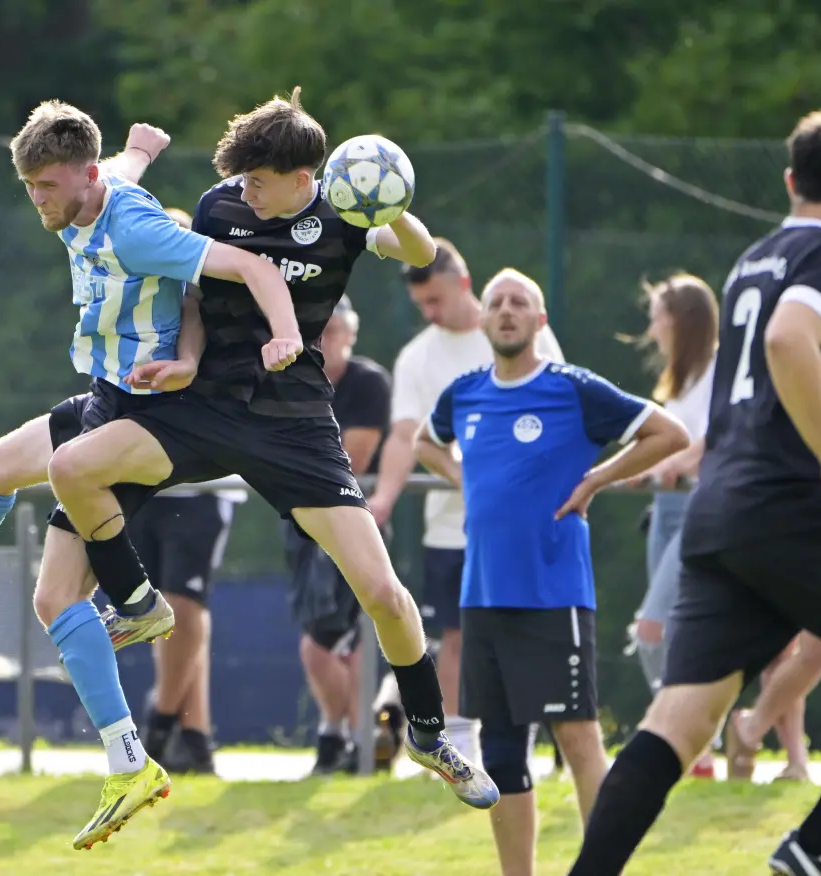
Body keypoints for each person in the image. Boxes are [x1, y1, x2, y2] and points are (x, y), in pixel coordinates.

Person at [0, 101, 301, 850]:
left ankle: (133, 708)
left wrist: (280, 336)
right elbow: (120, 168)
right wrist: (142, 146)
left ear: (83, 177)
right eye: (29, 188)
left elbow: (242, 267)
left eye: (47, 187)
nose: (38, 201)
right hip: (103, 397)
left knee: (56, 591)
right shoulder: (94, 186)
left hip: (135, 420)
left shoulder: (136, 228)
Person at [44, 88, 500, 812]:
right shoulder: (221, 205)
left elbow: (420, 252)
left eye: (259, 180)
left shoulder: (348, 213)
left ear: (302, 178)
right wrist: (188, 362)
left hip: (293, 425)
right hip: (203, 406)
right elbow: (191, 298)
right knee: (70, 466)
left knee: (382, 593)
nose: (244, 192)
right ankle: (134, 601)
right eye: (242, 178)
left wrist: (388, 202)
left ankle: (428, 733)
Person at [551, 106, 821, 876]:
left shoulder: (752, 260)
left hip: (721, 513)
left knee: (678, 722)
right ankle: (816, 847)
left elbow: (764, 388)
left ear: (788, 181)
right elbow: (786, 344)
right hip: (788, 510)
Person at [417, 267, 688, 876]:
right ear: (483, 320)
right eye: (497, 302)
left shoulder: (573, 389)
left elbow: (668, 434)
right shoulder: (464, 394)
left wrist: (597, 480)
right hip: (483, 597)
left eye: (521, 303)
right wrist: (465, 479)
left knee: (578, 738)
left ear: (540, 322)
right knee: (503, 753)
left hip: (553, 597)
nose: (507, 310)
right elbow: (427, 441)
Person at [366, 237, 564, 770]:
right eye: (421, 305)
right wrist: (383, 498)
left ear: (462, 283)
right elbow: (407, 434)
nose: (429, 313)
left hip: (523, 525)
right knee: (455, 636)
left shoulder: (520, 336)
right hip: (451, 531)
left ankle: (547, 742)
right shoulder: (416, 356)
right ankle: (457, 748)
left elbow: (557, 412)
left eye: (435, 300)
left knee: (529, 628)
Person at [130, 206, 242, 776]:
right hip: (144, 481)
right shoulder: (128, 295)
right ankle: (195, 735)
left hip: (201, 482)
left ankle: (160, 727)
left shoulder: (208, 296)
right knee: (157, 612)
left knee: (186, 605)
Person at [620, 272, 721, 781]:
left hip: (703, 507)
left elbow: (719, 433)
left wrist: (679, 463)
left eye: (658, 315)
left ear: (681, 320)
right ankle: (693, 746)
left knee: (654, 629)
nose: (652, 326)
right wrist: (639, 469)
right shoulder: (677, 380)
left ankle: (686, 734)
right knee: (669, 630)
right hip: (666, 510)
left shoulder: (721, 368)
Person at [283, 296, 390, 775]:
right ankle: (342, 733)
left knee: (346, 637)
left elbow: (355, 461)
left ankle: (351, 737)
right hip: (303, 525)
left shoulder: (368, 383)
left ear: (350, 335)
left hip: (355, 524)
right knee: (317, 638)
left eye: (331, 332)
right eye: (315, 332)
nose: (322, 342)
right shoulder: (290, 377)